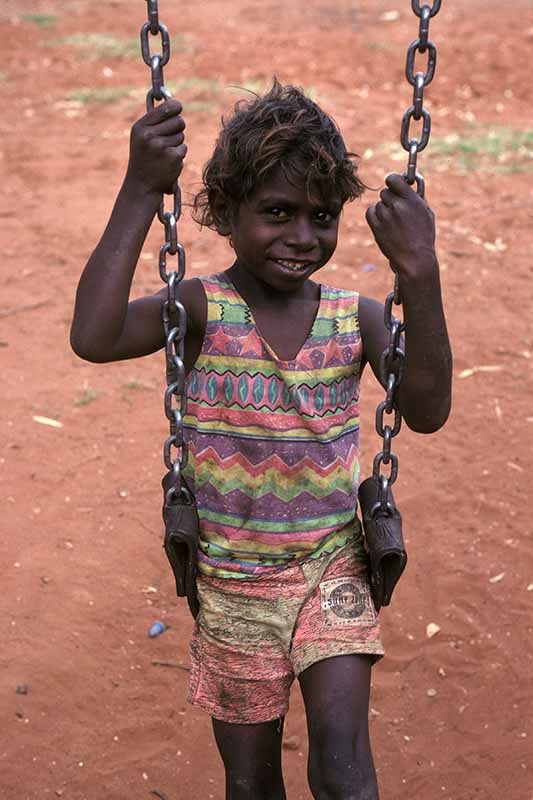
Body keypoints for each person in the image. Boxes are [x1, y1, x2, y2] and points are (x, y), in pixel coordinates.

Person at [71, 79, 452, 800]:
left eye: (319, 215)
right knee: (251, 784)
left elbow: (427, 410)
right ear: (225, 209)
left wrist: (419, 271)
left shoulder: (357, 317)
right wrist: (138, 188)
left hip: (329, 569)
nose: (301, 237)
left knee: (347, 775)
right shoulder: (200, 308)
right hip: (233, 585)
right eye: (276, 212)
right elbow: (94, 336)